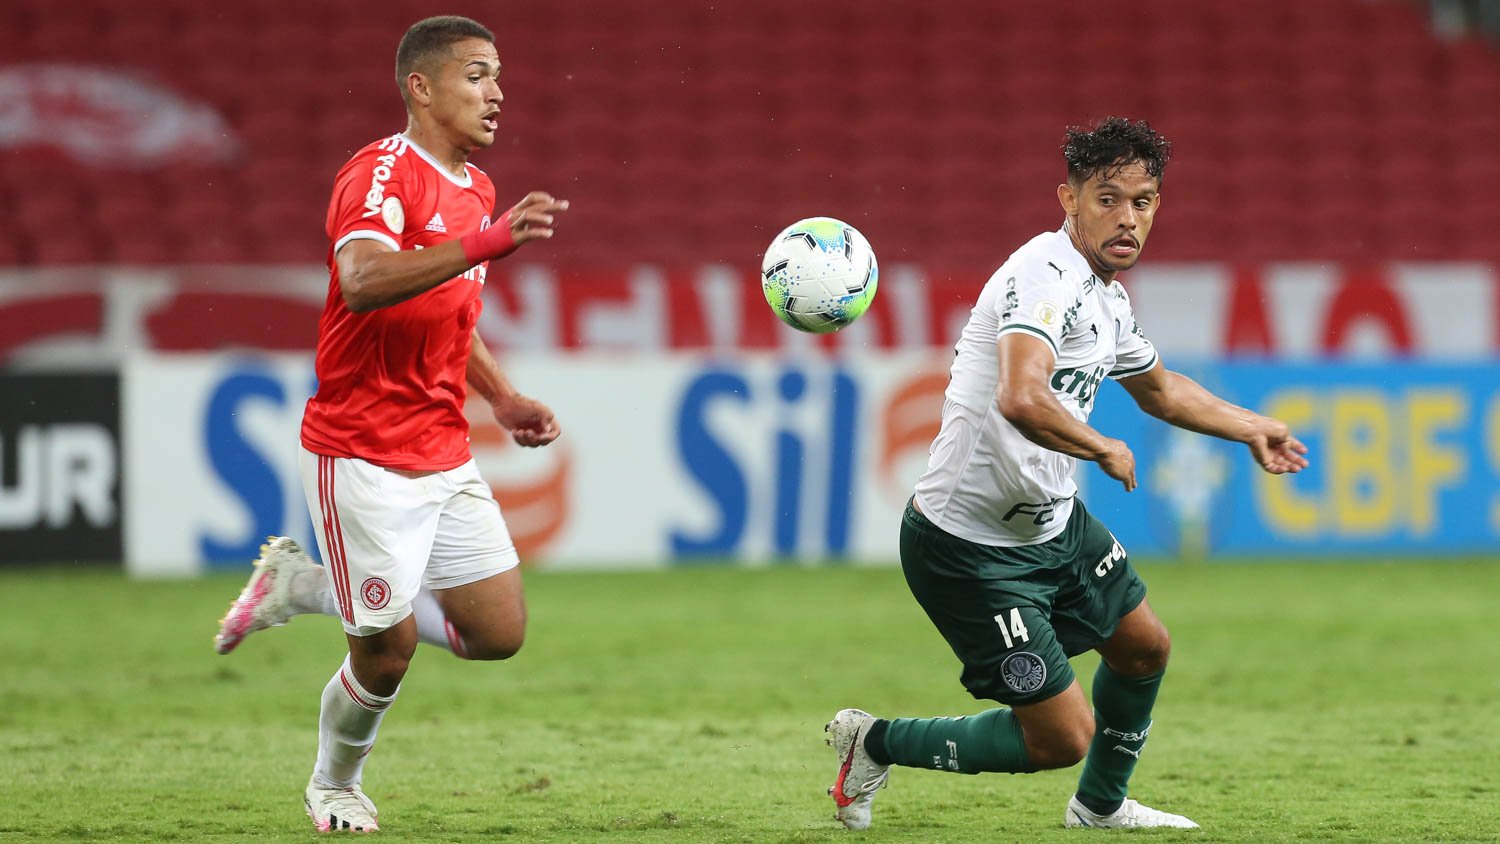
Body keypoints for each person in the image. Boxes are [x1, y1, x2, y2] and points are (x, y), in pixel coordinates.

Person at [825, 117, 1309, 832]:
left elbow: (1161, 391)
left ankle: (1100, 807)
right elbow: (1020, 396)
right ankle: (874, 742)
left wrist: (1252, 427)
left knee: (1144, 647)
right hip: (969, 549)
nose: (1127, 218)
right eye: (1107, 199)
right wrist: (1100, 446)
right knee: (1059, 739)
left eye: (1142, 202)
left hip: (1054, 525)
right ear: (1069, 199)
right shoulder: (1043, 276)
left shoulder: (1107, 297)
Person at [211, 15, 568, 833]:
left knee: (498, 633)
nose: (496, 92)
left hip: (443, 448)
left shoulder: (476, 190)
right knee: (387, 651)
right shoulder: (379, 173)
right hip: (361, 452)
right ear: (421, 86)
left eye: (498, 76)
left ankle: (299, 586)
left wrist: (501, 396)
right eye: (476, 75)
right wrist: (487, 241)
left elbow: (447, 312)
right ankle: (334, 786)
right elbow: (365, 280)